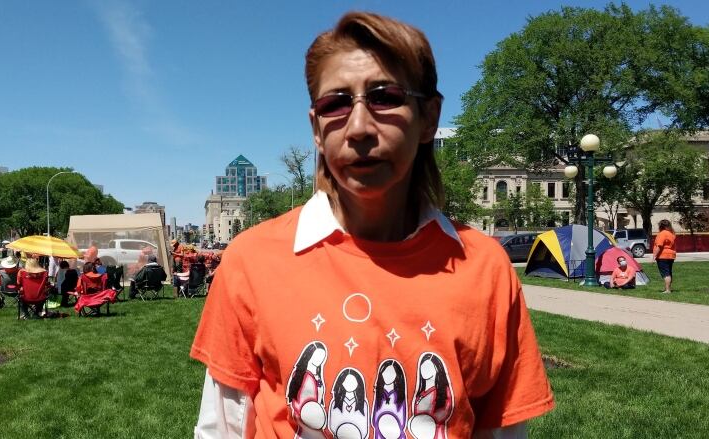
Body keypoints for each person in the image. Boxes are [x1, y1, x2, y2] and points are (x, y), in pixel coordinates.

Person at [191, 12, 553, 438]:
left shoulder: (485, 267)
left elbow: (501, 431)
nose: (359, 127)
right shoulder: (251, 261)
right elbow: (223, 428)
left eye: (385, 97)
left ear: (429, 118)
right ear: (316, 128)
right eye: (336, 103)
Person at [653, 219, 677, 294]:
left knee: (665, 274)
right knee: (669, 272)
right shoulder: (671, 233)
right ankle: (668, 288)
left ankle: (667, 290)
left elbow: (659, 246)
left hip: (663, 256)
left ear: (661, 226)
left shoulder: (662, 234)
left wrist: (654, 256)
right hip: (671, 255)